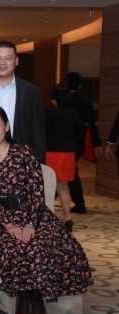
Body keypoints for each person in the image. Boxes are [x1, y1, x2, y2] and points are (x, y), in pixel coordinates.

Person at [0, 106, 92, 314]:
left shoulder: (24, 153)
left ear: (6, 127)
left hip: (35, 214)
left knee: (38, 244)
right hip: (3, 221)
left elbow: (36, 190)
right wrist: (8, 224)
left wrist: (30, 223)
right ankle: (24, 294)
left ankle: (35, 296)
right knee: (14, 245)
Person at [45, 86, 84, 231]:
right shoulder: (75, 113)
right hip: (68, 154)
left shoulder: (49, 112)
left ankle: (47, 218)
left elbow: (42, 132)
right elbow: (80, 134)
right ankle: (67, 218)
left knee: (47, 187)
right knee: (62, 187)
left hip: (51, 152)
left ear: (54, 100)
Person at [65, 72, 100, 214]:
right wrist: (97, 144)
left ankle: (79, 203)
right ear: (79, 86)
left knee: (67, 171)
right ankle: (78, 203)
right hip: (79, 142)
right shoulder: (86, 102)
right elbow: (92, 125)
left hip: (62, 142)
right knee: (69, 170)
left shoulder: (63, 100)